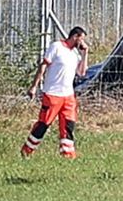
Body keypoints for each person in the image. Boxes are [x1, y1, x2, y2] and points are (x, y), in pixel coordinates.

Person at [23, 26, 89, 159]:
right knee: (44, 124)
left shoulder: (75, 54)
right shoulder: (56, 47)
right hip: (52, 94)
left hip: (68, 96)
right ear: (75, 37)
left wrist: (85, 52)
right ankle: (27, 150)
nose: (82, 43)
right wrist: (34, 86)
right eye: (81, 39)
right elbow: (43, 66)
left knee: (68, 125)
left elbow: (81, 73)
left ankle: (68, 155)